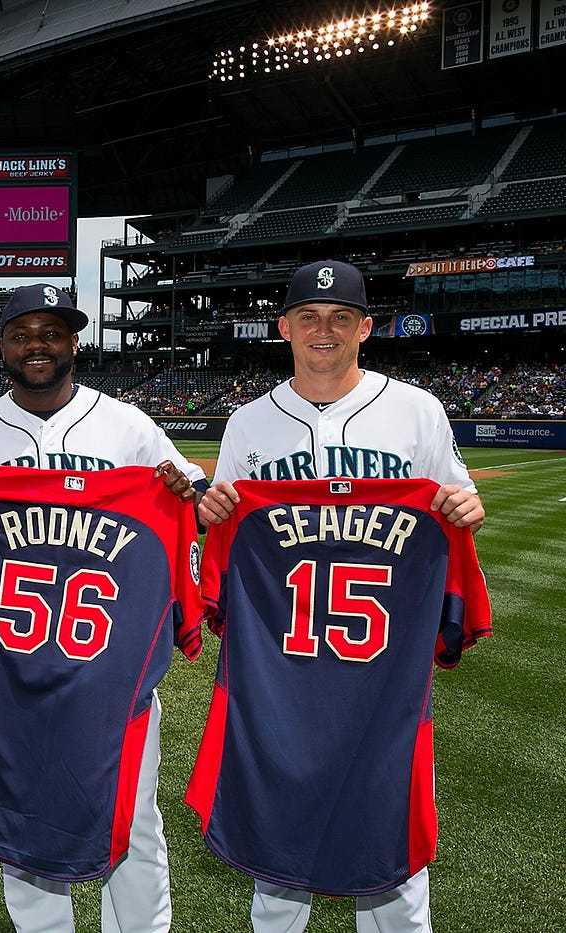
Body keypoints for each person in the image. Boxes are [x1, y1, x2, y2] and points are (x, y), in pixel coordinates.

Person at [0, 283, 205, 933]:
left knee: (133, 817)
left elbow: (194, 504)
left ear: (73, 344)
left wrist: (186, 489)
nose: (38, 344)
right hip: (9, 672)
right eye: (23, 333)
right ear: (2, 345)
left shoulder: (128, 426)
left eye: (53, 332)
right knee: (23, 811)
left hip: (105, 673)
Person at [195, 259, 484, 933]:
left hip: (384, 671)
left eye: (340, 318)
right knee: (278, 860)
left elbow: (457, 501)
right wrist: (214, 512)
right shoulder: (248, 422)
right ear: (283, 327)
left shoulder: (418, 412)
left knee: (393, 863)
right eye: (308, 317)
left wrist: (468, 507)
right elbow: (227, 534)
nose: (323, 330)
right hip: (283, 672)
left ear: (366, 328)